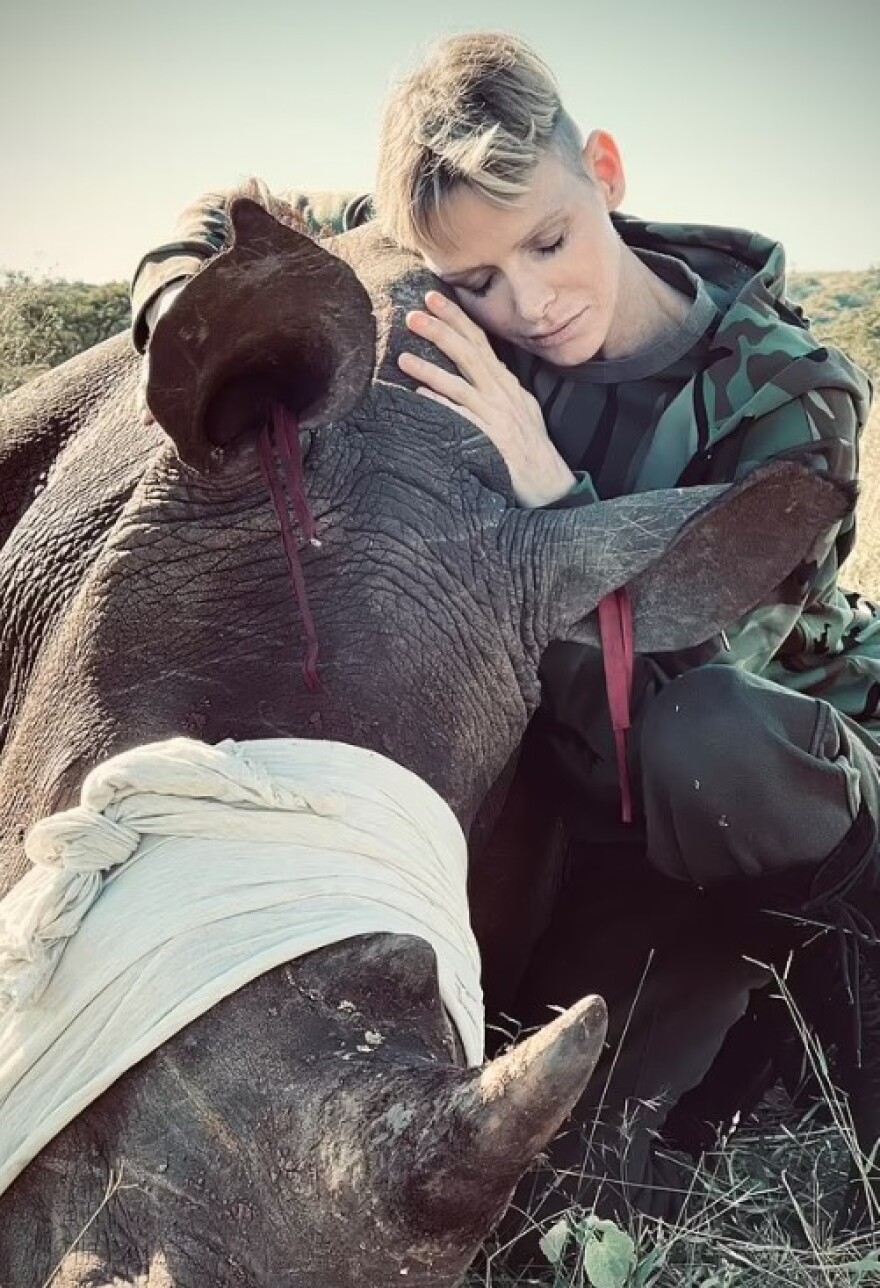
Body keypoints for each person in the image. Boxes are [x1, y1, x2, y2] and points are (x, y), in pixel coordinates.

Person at [130, 32, 878, 1238]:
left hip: (738, 783)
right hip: (569, 778)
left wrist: (547, 488)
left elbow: (689, 679)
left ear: (606, 172)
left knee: (710, 751)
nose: (527, 301)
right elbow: (222, 217)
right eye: (473, 282)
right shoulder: (460, 237)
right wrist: (184, 309)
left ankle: (844, 959)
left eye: (548, 241)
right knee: (523, 1185)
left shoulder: (792, 395)